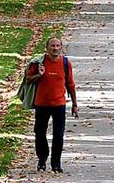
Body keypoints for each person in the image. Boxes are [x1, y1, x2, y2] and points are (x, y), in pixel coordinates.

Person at [25, 36, 78, 172]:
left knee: (58, 135)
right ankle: (42, 158)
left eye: (57, 46)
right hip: (42, 104)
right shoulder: (39, 63)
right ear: (47, 48)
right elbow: (28, 80)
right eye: (52, 46)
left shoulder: (66, 63)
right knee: (40, 133)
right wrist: (39, 75)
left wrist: (74, 104)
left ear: (61, 48)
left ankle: (56, 163)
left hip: (59, 104)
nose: (55, 48)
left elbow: (70, 84)